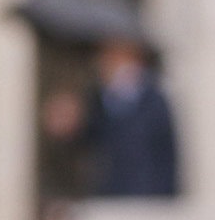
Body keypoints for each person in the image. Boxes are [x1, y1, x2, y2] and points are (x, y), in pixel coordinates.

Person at [41, 34, 181, 207]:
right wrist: (68, 127)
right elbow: (90, 141)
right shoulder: (98, 99)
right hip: (109, 198)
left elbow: (153, 152)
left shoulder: (154, 100)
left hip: (147, 200)